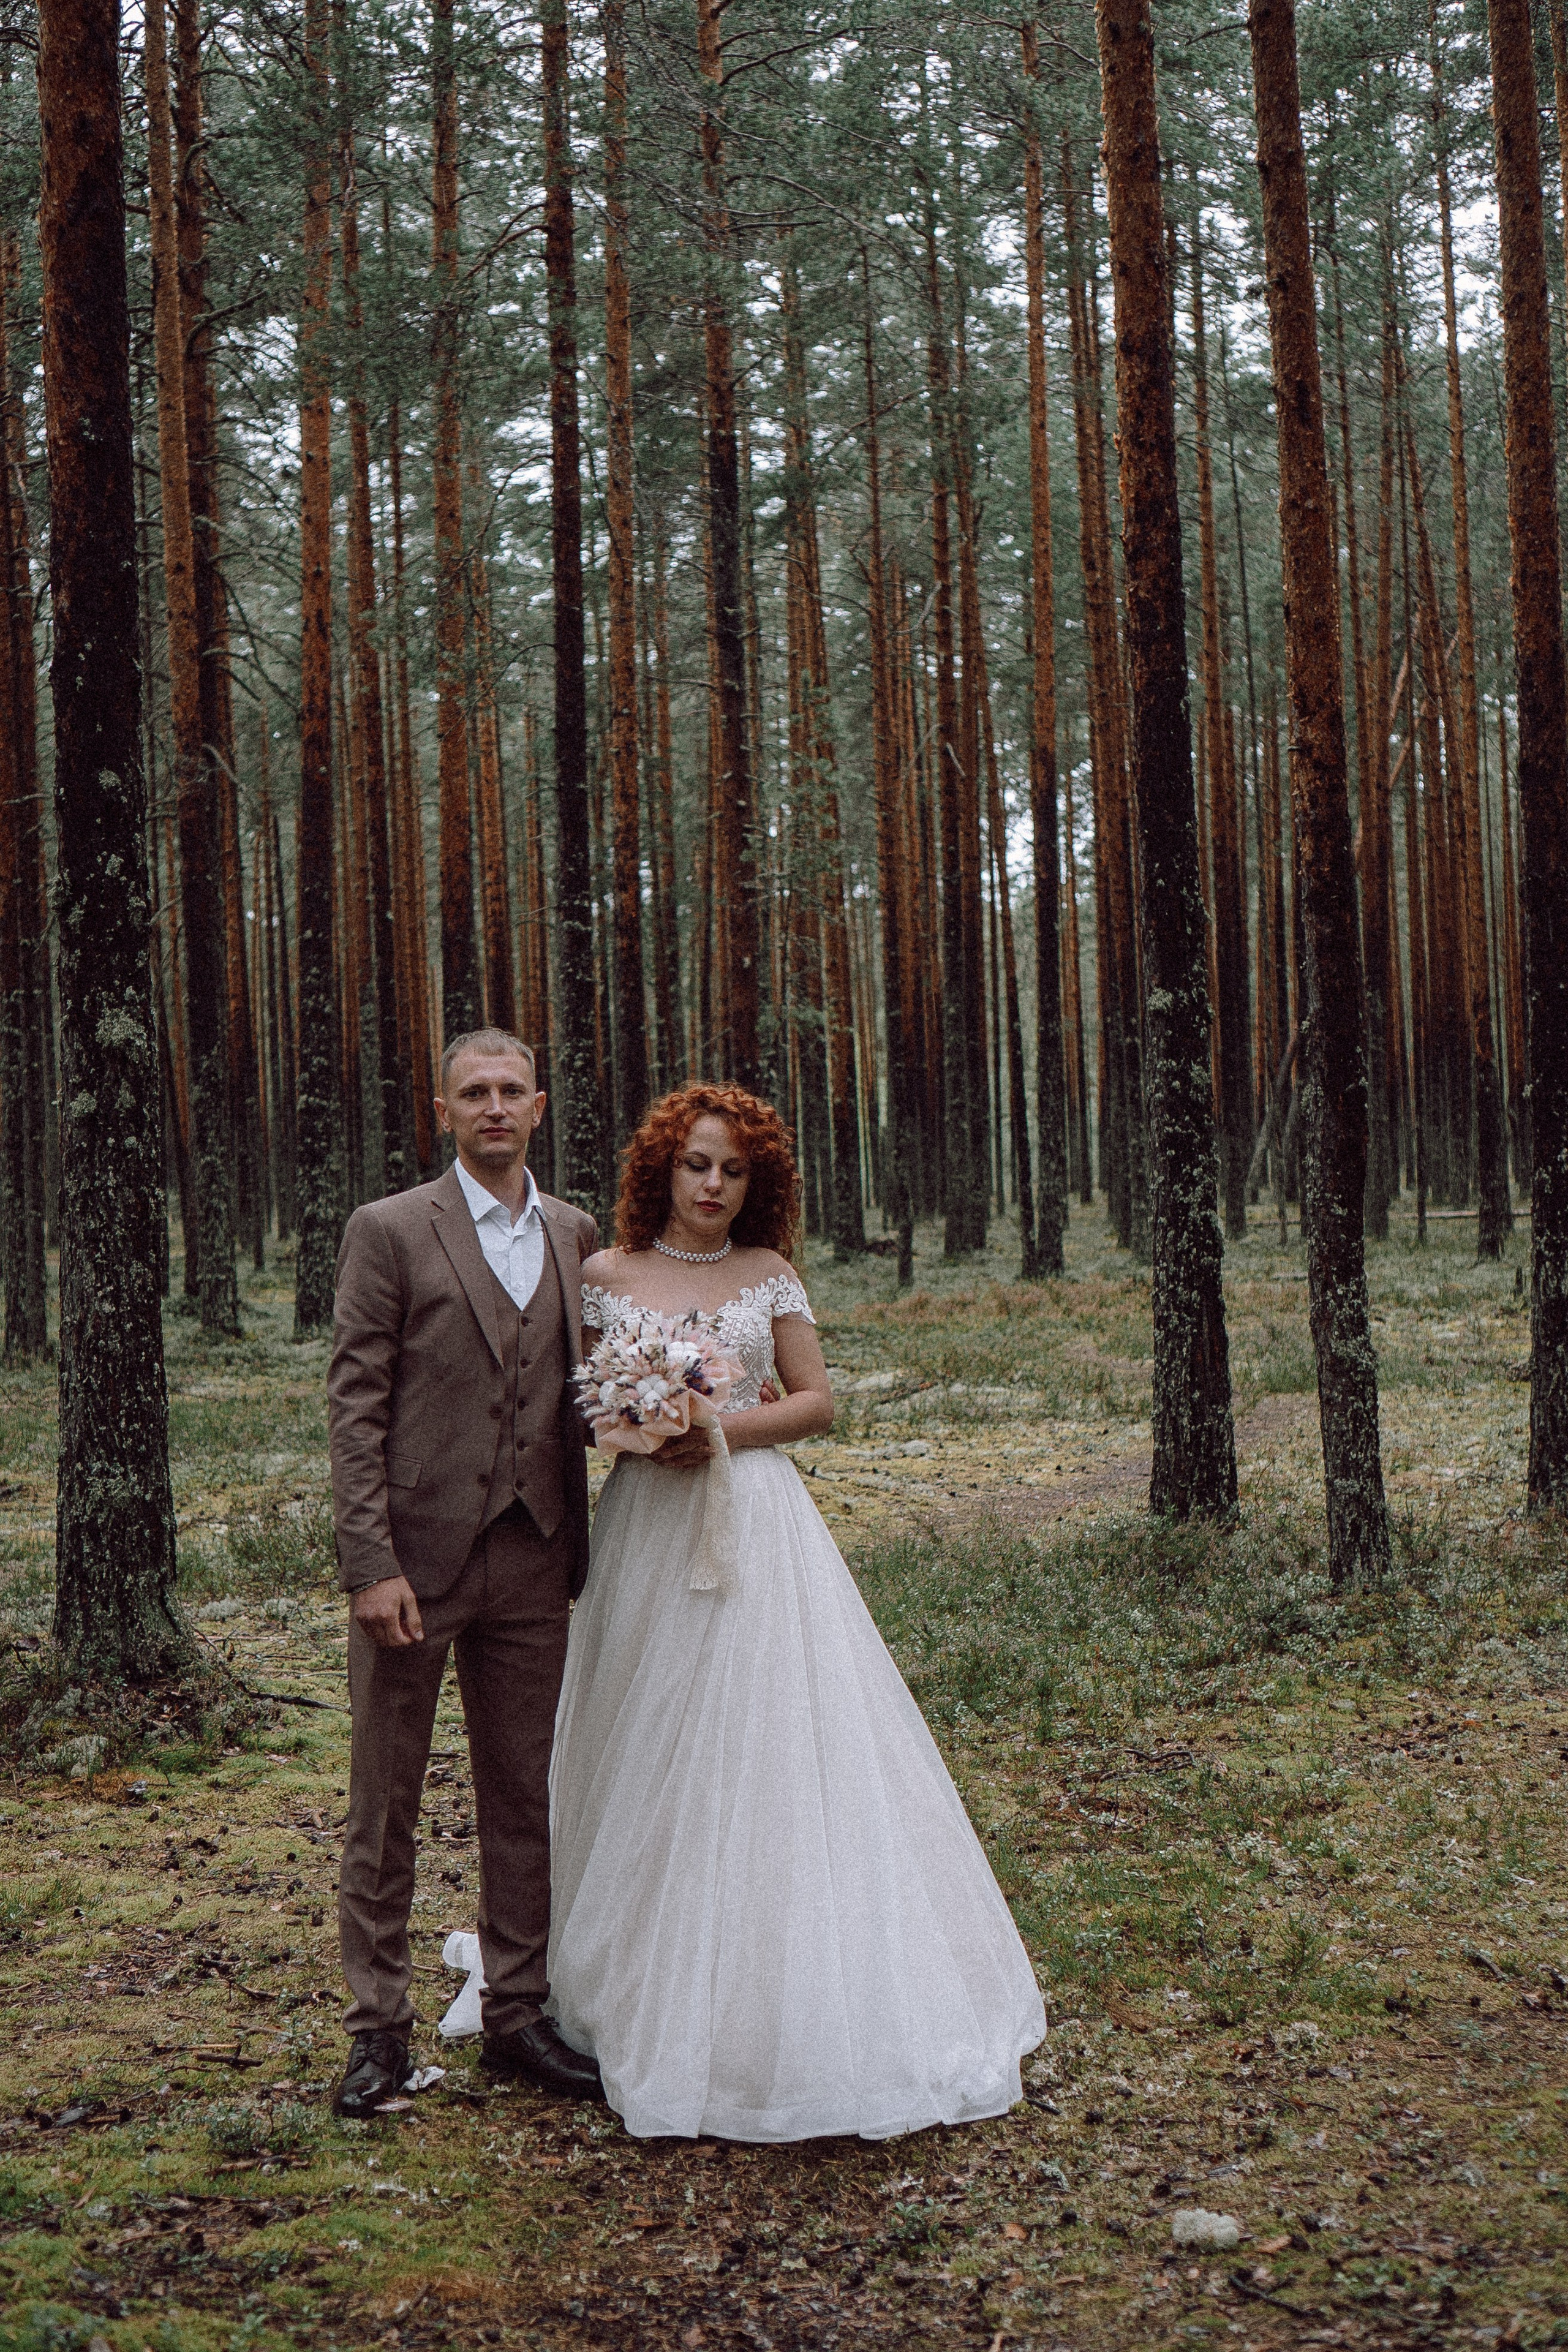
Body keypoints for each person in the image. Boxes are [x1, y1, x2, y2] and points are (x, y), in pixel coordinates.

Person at [547, 1081, 1046, 2141]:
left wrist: (721, 1430)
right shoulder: (603, 1275)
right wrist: (638, 1425)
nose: (714, 1186)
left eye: (734, 1170)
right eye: (697, 1165)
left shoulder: (769, 1276)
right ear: (662, 1170)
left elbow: (817, 1400)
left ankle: (776, 1987)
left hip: (755, 1521)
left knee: (766, 1734)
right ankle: (636, 1966)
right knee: (645, 1730)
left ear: (753, 1182)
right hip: (645, 1525)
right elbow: (582, 1403)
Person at [325, 1027, 604, 2118]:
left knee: (524, 1796)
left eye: (512, 1092)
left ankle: (519, 2014)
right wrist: (370, 1561)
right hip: (415, 1569)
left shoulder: (580, 1234)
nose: (495, 1108)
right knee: (384, 1802)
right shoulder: (390, 1230)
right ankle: (376, 2033)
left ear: (540, 1107)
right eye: (473, 1093)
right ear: (443, 1110)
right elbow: (355, 1408)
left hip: (537, 1560)